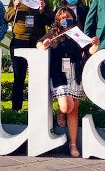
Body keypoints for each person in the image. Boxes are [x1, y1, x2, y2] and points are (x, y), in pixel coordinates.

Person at [37, 8, 98, 158]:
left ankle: (73, 145)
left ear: (73, 17)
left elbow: (90, 50)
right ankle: (60, 111)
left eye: (68, 16)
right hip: (59, 73)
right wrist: (44, 44)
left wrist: (95, 44)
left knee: (74, 110)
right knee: (66, 106)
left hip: (75, 72)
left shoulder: (78, 33)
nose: (66, 19)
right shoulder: (54, 33)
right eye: (62, 17)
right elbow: (39, 44)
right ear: (58, 19)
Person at [4, 0, 53, 111]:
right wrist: (15, 8)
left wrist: (42, 10)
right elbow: (6, 18)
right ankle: (16, 109)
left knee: (37, 77)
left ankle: (37, 109)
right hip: (19, 41)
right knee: (18, 77)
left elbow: (50, 21)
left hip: (37, 43)